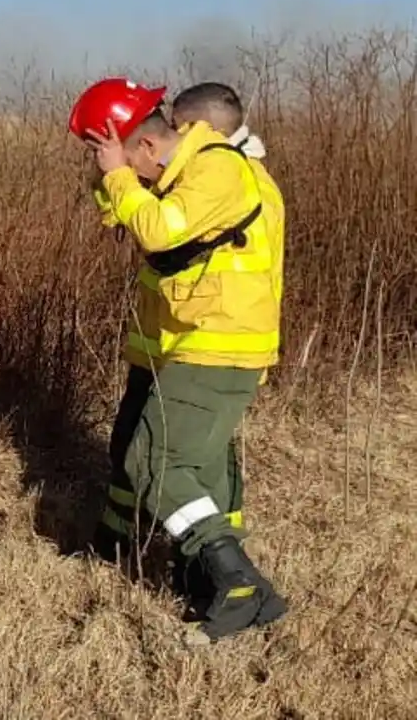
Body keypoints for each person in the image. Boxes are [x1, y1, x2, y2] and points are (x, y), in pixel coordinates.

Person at [71, 76, 287, 643]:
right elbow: (128, 216)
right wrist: (112, 178)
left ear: (144, 146)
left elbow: (160, 230)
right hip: (191, 341)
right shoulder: (186, 172)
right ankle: (206, 576)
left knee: (156, 463)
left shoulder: (216, 168)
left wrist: (118, 173)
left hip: (220, 343)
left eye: (119, 155)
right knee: (186, 463)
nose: (117, 169)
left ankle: (235, 580)